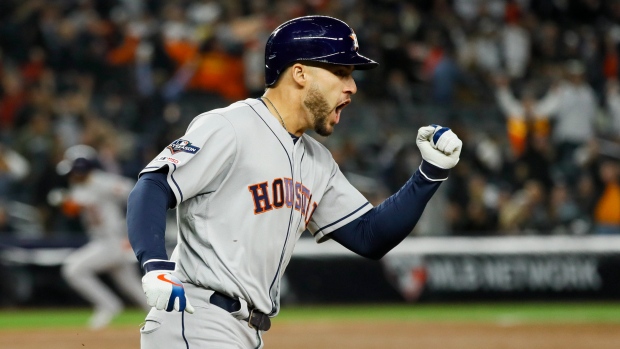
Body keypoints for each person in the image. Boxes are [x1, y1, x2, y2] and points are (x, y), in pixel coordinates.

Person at [127, 15, 462, 348]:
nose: (352, 86)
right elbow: (154, 184)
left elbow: (369, 236)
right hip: (199, 318)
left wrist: (429, 174)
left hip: (243, 331)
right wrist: (155, 264)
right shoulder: (231, 126)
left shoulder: (318, 162)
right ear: (300, 73)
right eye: (341, 72)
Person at [54, 145, 149, 330]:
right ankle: (161, 317)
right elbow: (74, 208)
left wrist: (134, 223)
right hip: (102, 240)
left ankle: (108, 305)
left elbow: (135, 191)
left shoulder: (102, 181)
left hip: (113, 241)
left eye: (74, 169)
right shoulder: (78, 186)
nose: (71, 174)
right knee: (131, 286)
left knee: (73, 269)